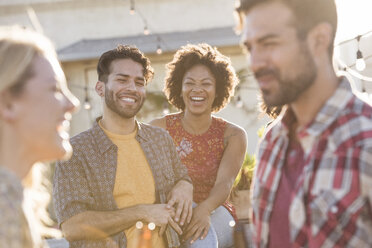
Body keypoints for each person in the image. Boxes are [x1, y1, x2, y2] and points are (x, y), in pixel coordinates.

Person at [235, 0, 372, 247]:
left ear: (319, 40)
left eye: (269, 44)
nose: (254, 63)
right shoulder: (272, 143)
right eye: (250, 47)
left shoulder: (366, 140)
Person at [53, 45, 196, 248]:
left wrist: (185, 186)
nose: (132, 88)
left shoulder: (160, 140)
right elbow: (72, 227)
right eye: (122, 80)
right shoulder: (76, 152)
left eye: (139, 82)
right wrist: (142, 212)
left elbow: (182, 176)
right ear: (100, 87)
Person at [151, 43, 247, 247]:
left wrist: (203, 209)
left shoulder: (233, 135)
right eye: (190, 83)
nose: (197, 90)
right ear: (179, 86)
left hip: (214, 209)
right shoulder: (158, 128)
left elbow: (225, 183)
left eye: (206, 83)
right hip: (171, 211)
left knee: (201, 242)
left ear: (218, 89)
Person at [0, 26, 79, 247]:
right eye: (55, 89)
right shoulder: (4, 206)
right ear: (8, 103)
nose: (73, 104)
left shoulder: (15, 198)